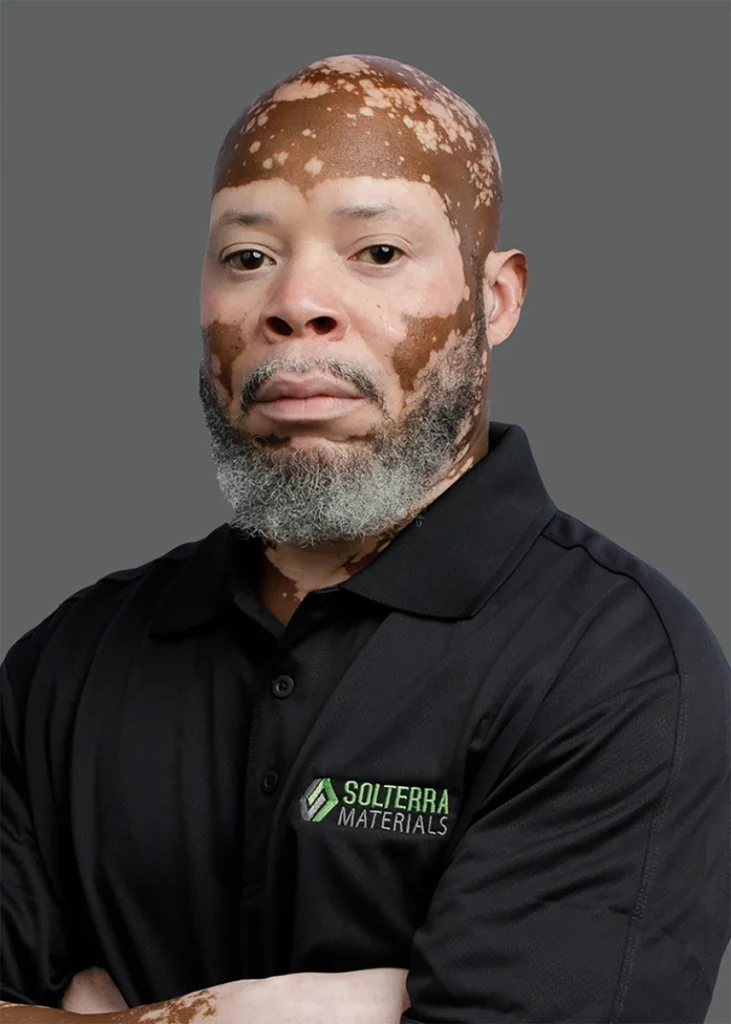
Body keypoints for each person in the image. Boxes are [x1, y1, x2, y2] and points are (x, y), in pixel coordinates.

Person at [0, 53, 728, 1024]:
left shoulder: (619, 666)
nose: (295, 304)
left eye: (376, 252)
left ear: (494, 299)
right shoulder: (68, 661)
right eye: (247, 255)